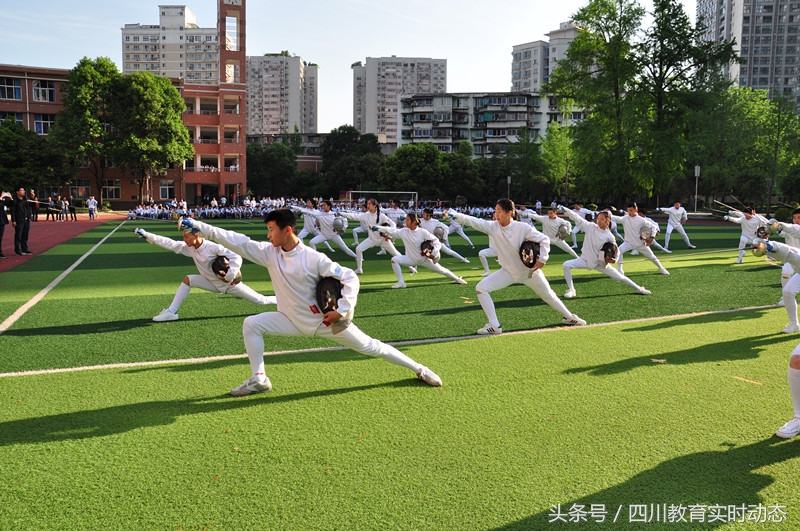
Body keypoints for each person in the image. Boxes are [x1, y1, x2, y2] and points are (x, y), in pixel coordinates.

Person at [178, 210, 443, 395]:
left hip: (323, 323)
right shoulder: (269, 253)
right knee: (251, 324)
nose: (268, 235)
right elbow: (236, 240)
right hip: (289, 319)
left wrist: (341, 311)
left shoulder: (312, 258)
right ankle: (259, 380)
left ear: (287, 230)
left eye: (271, 230)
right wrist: (201, 227)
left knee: (372, 347)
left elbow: (350, 278)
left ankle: (419, 368)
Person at [447, 199, 586, 335]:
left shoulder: (522, 228)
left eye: (499, 211)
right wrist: (459, 216)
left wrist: (542, 259)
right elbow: (476, 222)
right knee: (481, 288)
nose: (496, 214)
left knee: (549, 296)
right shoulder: (493, 227)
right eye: (495, 211)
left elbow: (544, 240)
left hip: (529, 271)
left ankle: (569, 317)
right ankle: (495, 325)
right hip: (508, 272)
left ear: (509, 213)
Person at [135, 226, 277, 322]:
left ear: (196, 235)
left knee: (261, 300)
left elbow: (236, 257)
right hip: (211, 282)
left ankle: (284, 300)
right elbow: (170, 243)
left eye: (186, 237)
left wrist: (229, 276)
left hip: (229, 284)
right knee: (188, 280)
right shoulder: (190, 248)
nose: (184, 240)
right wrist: (147, 235)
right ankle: (172, 312)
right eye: (183, 237)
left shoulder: (212, 247)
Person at [559, 206, 651, 298]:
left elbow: (616, 250)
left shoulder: (609, 236)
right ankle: (571, 290)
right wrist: (565, 210)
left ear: (608, 221)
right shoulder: (590, 227)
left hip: (600, 262)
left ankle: (639, 288)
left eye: (602, 219)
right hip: (585, 259)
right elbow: (577, 217)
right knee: (566, 265)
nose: (599, 221)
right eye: (598, 218)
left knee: (619, 277)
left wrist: (614, 259)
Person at [373, 212, 467, 288]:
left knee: (441, 270)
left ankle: (457, 279)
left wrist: (433, 253)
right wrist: (379, 228)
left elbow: (436, 241)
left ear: (414, 222)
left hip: (424, 259)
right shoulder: (404, 231)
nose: (406, 222)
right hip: (410, 259)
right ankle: (401, 282)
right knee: (394, 259)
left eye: (408, 220)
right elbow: (392, 231)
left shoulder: (422, 232)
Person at [337, 198, 414, 275]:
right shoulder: (366, 215)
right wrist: (342, 214)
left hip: (383, 240)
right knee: (358, 249)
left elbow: (393, 224)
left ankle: (411, 267)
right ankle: (359, 269)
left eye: (370, 204)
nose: (368, 206)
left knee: (396, 254)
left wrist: (388, 233)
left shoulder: (381, 216)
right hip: (371, 239)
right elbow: (354, 216)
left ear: (375, 205)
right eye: (367, 204)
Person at [610, 202, 670, 276]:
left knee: (652, 257)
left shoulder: (641, 220)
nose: (629, 212)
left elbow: (653, 227)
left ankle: (661, 268)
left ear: (636, 210)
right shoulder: (625, 218)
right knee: (619, 251)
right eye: (628, 210)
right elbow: (616, 218)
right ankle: (620, 271)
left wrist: (652, 237)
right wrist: (606, 214)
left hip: (640, 243)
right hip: (628, 242)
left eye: (631, 210)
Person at [10, 186, 32, 256]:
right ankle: (17, 250)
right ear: (17, 192)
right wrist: (13, 220)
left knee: (25, 235)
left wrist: (33, 198)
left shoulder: (26, 199)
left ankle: (24, 249)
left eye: (24, 190)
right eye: (22, 190)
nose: (24, 191)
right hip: (19, 220)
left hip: (26, 219)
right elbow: (12, 211)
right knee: (18, 235)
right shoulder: (14, 201)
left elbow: (32, 205)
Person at [0, 191, 10, 259]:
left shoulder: (2, 201)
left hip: (1, 220)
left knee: (0, 237)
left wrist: (10, 198)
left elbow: (11, 204)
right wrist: (0, 198)